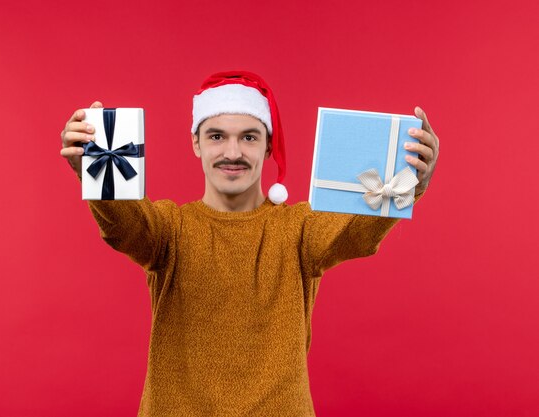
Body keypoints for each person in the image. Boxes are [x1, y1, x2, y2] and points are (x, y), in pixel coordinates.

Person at [60, 71, 439, 416]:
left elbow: (357, 230)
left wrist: (408, 185)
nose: (233, 152)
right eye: (217, 136)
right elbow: (127, 227)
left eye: (249, 137)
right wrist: (96, 178)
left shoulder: (298, 228)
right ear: (196, 143)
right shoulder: (170, 230)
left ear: (268, 146)